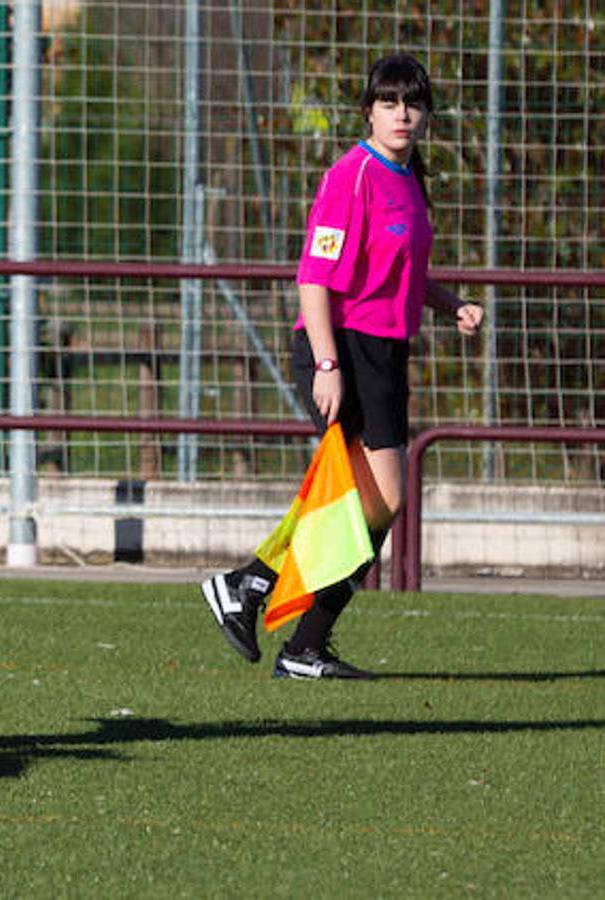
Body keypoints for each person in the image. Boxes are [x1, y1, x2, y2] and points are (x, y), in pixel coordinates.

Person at [201, 53, 484, 680]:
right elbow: (314, 281)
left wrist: (449, 304)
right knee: (372, 499)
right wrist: (327, 363)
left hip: (385, 351)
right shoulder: (350, 175)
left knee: (371, 504)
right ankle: (265, 602)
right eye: (389, 103)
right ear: (369, 111)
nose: (402, 114)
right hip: (342, 347)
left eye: (412, 103)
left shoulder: (408, 176)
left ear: (427, 113)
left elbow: (399, 272)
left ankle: (281, 620)